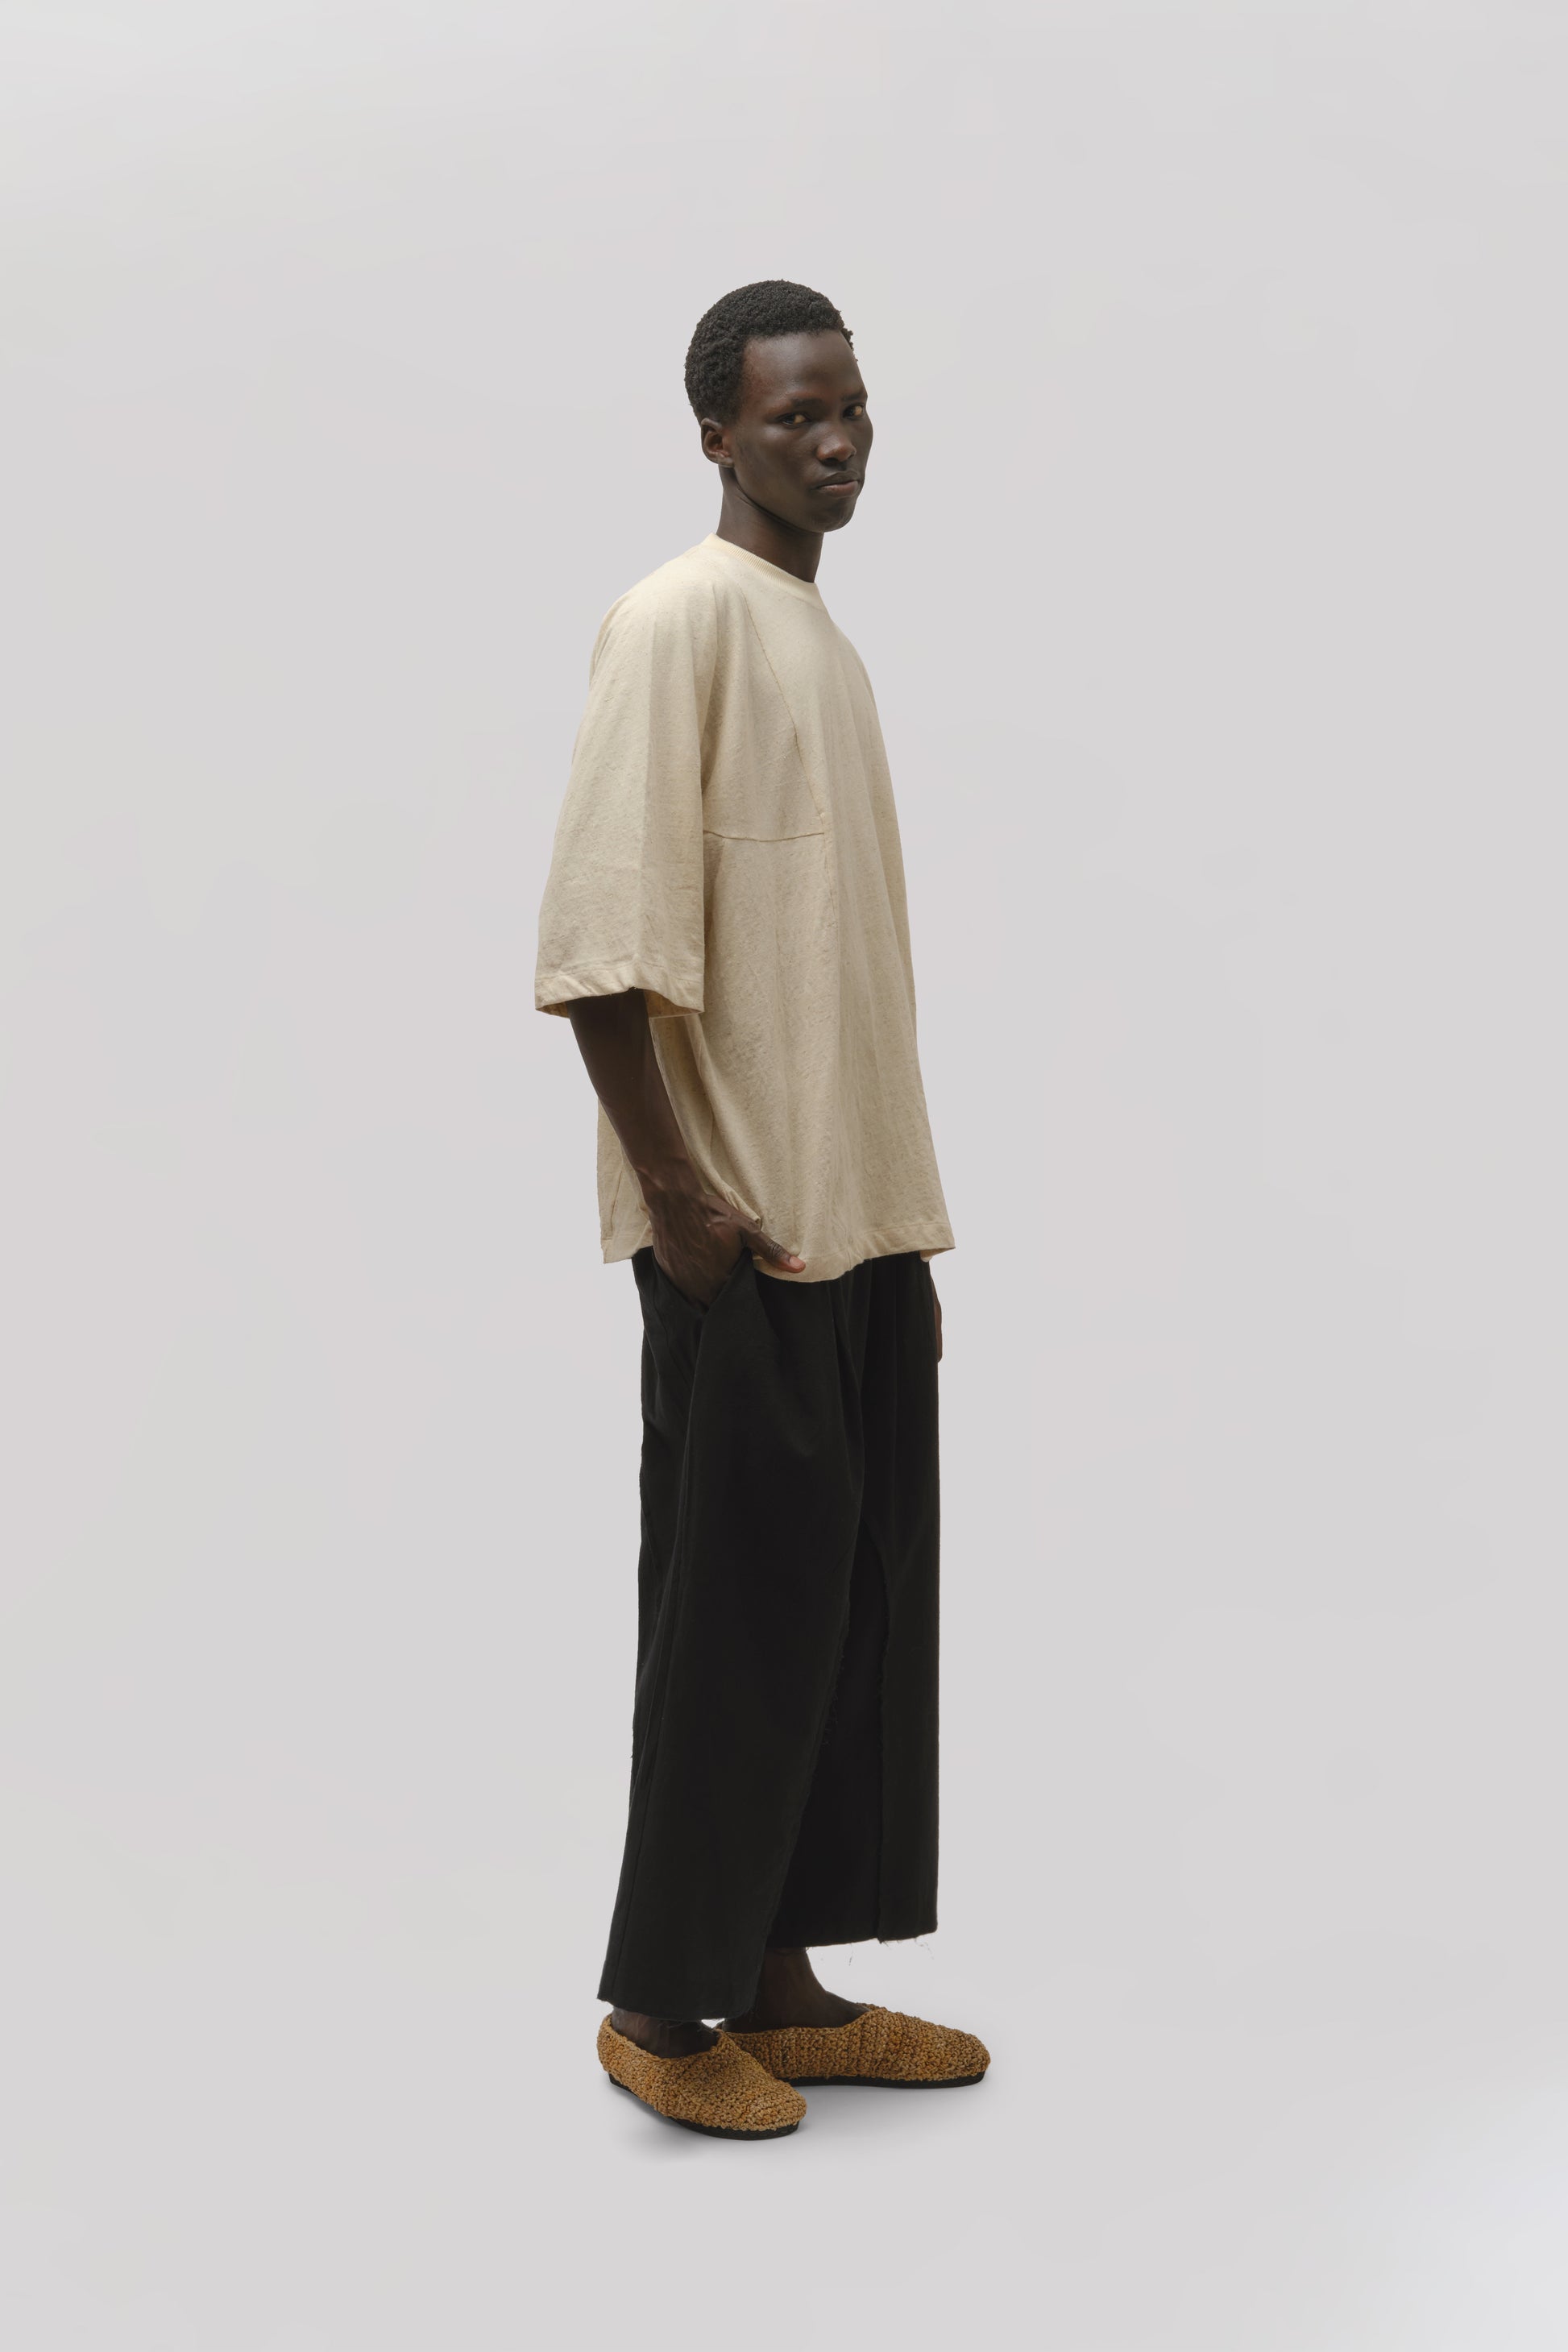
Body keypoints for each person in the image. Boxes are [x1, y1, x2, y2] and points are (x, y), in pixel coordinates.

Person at [536, 280, 988, 2138]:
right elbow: (599, 944)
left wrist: (902, 1225)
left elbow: (839, 977)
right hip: (746, 1226)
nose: (835, 439)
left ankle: (781, 1989)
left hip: (851, 1222)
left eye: (852, 406)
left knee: (847, 1621)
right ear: (715, 432)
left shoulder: (819, 640)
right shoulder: (680, 619)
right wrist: (678, 1195)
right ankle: (659, 2008)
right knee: (738, 1623)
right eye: (796, 412)